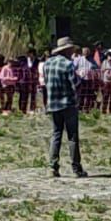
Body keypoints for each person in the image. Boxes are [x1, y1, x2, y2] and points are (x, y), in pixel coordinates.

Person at [42, 37, 87, 178]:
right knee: (72, 136)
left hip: (53, 104)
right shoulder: (68, 64)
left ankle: (52, 167)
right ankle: (76, 168)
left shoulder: (47, 64)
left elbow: (46, 82)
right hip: (68, 103)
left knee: (56, 134)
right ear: (67, 50)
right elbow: (75, 82)